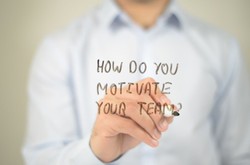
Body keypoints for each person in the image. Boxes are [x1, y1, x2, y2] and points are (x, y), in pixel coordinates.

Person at [22, 0, 250, 164]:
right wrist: (95, 153)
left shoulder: (223, 49)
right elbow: (43, 158)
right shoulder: (59, 50)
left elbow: (240, 155)